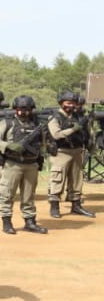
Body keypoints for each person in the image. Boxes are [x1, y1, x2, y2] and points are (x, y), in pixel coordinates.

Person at [0, 95, 49, 235]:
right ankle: (6, 221)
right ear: (15, 109)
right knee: (7, 194)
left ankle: (30, 221)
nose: (24, 112)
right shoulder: (7, 123)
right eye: (21, 109)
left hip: (31, 164)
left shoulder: (37, 124)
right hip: (13, 164)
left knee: (29, 195)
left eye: (27, 109)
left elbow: (42, 144)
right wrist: (9, 145)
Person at [47, 91, 95, 219]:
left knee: (77, 180)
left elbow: (88, 132)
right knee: (58, 178)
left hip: (77, 151)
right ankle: (54, 206)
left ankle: (76, 205)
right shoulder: (55, 117)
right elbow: (56, 134)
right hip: (61, 152)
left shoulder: (79, 116)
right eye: (68, 103)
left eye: (73, 103)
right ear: (61, 103)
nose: (71, 106)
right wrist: (73, 129)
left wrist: (90, 145)